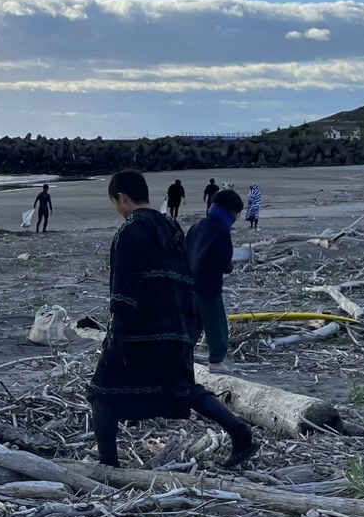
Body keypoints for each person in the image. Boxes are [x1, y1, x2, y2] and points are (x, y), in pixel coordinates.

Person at [88, 170, 258, 469]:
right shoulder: (172, 227)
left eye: (116, 202)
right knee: (182, 387)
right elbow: (186, 276)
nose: (118, 209)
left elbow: (123, 291)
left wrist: (115, 337)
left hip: (144, 329)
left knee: (102, 391)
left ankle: (108, 467)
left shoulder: (130, 231)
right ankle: (240, 432)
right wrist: (189, 329)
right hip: (178, 327)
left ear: (122, 198)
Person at [186, 188, 245, 373]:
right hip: (209, 285)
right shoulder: (221, 230)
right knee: (216, 323)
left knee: (193, 323)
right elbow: (224, 262)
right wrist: (230, 267)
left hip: (188, 283)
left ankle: (183, 355)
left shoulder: (197, 225)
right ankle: (216, 361)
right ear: (231, 212)